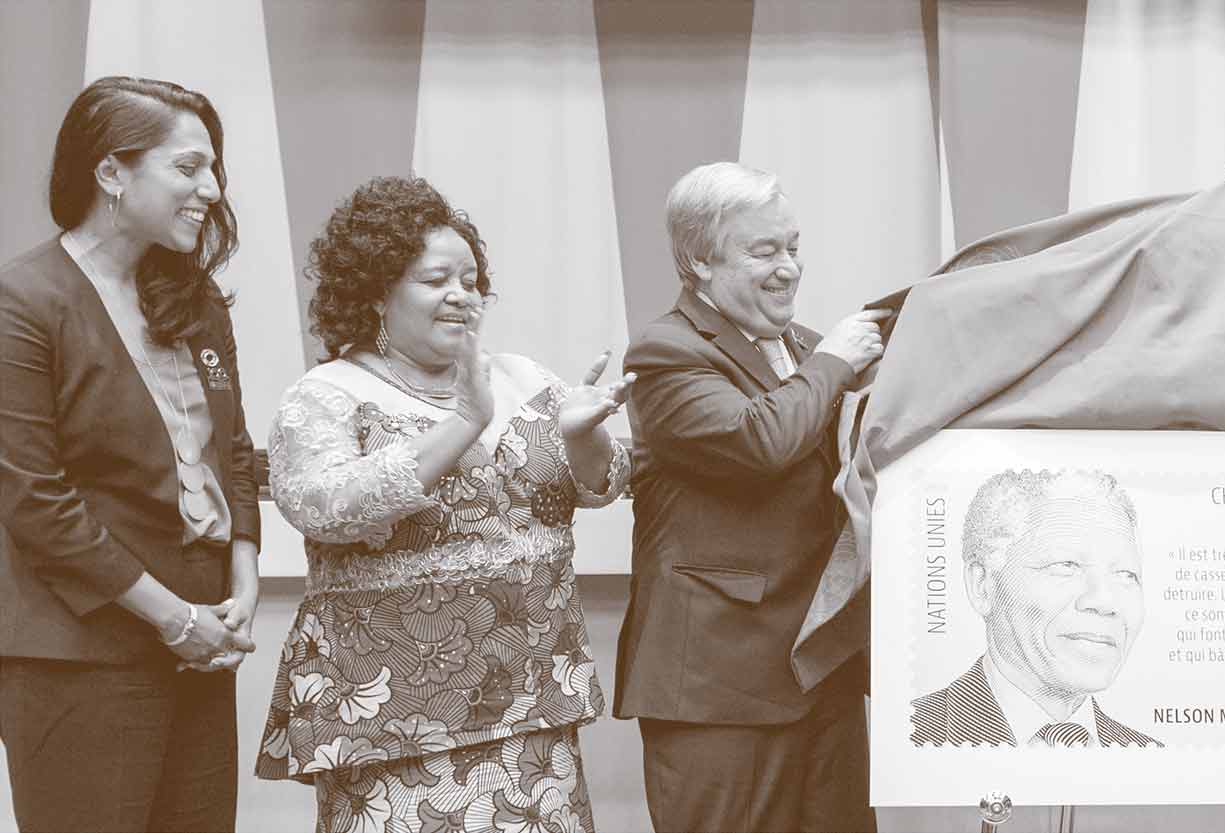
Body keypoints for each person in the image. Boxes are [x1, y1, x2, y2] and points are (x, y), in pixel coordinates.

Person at [254, 176, 631, 833]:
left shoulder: (523, 375)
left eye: (471, 278)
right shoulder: (326, 393)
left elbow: (604, 482)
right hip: (393, 725)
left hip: (529, 710)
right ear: (376, 289)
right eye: (436, 279)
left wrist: (581, 433)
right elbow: (326, 506)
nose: (461, 294)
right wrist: (461, 423)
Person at [0, 75, 261, 833]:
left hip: (204, 644)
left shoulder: (195, 298)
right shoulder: (23, 300)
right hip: (81, 651)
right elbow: (34, 499)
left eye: (214, 168)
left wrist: (241, 581)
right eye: (188, 168)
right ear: (110, 172)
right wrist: (171, 616)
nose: (211, 189)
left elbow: (234, 454)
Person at [615, 162, 890, 832]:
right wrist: (836, 367)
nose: (789, 268)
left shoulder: (806, 347)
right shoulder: (664, 352)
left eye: (793, 246)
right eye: (763, 250)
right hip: (718, 686)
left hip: (818, 668)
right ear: (699, 262)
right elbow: (757, 442)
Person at [909, 469, 1161, 748]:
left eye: (1126, 574)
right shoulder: (912, 734)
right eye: (1067, 566)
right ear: (983, 585)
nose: (1104, 602)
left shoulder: (1153, 757)